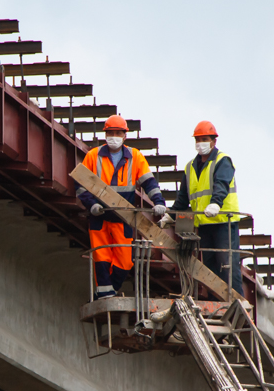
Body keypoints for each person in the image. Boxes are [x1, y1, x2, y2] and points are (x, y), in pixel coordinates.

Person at [76, 115, 167, 299]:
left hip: (123, 217)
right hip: (99, 216)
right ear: (105, 135)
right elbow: (80, 185)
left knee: (125, 262)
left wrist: (159, 202)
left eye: (118, 133)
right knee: (101, 258)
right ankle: (104, 295)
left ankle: (110, 290)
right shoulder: (93, 156)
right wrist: (91, 205)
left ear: (125, 136)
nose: (114, 136)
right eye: (110, 133)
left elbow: (148, 182)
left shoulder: (135, 157)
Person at [159, 120, 243, 295]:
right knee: (209, 269)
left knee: (227, 265)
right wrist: (171, 215)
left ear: (214, 141)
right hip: (204, 225)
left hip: (223, 223)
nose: (200, 143)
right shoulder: (190, 167)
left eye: (204, 139)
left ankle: (238, 304)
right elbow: (183, 198)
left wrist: (216, 203)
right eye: (198, 139)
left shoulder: (222, 161)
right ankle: (216, 304)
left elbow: (222, 184)